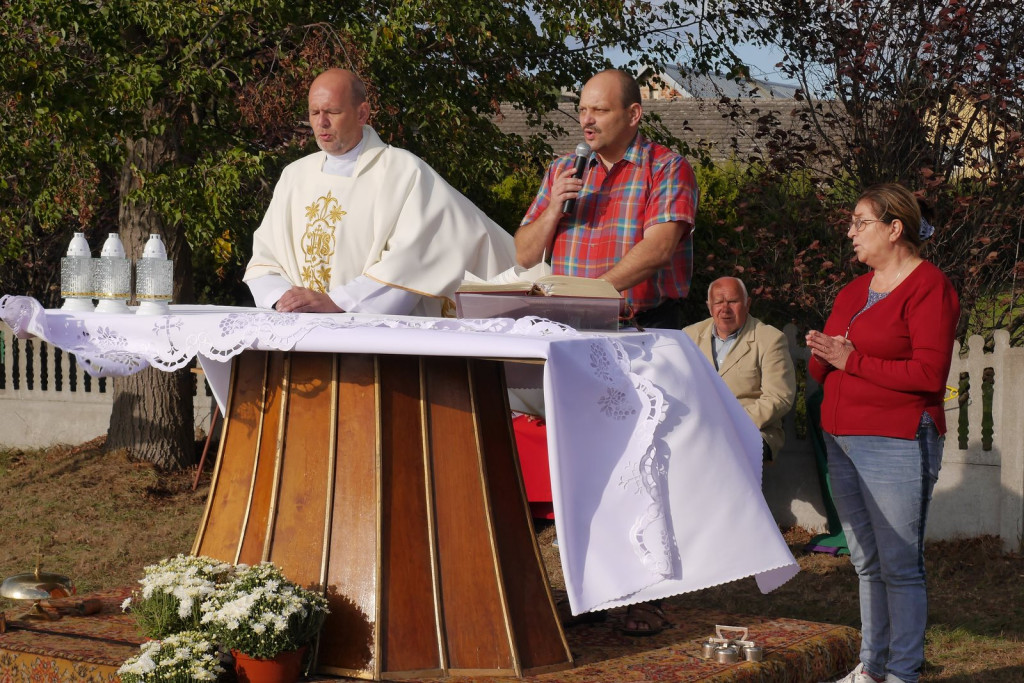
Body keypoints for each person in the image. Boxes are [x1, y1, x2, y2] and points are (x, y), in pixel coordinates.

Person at [805, 184, 959, 683]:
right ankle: (872, 667)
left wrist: (853, 360)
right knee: (867, 564)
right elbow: (820, 369)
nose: (850, 232)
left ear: (894, 229)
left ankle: (903, 673)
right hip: (840, 438)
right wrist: (825, 352)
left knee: (899, 566)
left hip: (895, 440)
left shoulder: (929, 287)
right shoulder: (853, 290)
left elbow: (929, 377)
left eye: (860, 222)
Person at [244, 68, 516, 316]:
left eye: (333, 112)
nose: (322, 122)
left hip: (373, 340)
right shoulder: (294, 176)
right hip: (299, 331)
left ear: (362, 113)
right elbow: (265, 259)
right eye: (315, 113)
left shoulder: (402, 171)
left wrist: (339, 302)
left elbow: (413, 260)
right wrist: (287, 300)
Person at [514, 69, 698, 330]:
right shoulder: (562, 169)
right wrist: (553, 209)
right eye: (582, 110)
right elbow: (525, 256)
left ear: (633, 114)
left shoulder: (665, 168)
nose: (587, 120)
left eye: (599, 111)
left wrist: (590, 294)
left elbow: (658, 250)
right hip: (568, 325)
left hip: (641, 328)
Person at [683, 276, 796, 461]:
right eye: (718, 302)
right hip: (700, 426)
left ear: (747, 303)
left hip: (754, 429)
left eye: (733, 301)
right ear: (709, 307)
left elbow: (779, 397)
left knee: (723, 453)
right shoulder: (689, 335)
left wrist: (733, 423)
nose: (725, 309)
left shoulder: (770, 339)